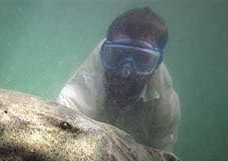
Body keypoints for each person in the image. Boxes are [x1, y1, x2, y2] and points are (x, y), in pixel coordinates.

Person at [57, 7, 181, 152]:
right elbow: (61, 135)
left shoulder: (166, 104)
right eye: (117, 56)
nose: (126, 72)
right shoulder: (85, 84)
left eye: (141, 60)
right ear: (104, 53)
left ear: (156, 64)